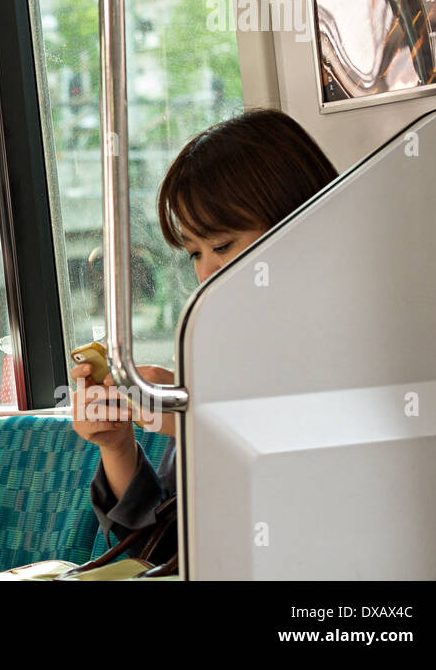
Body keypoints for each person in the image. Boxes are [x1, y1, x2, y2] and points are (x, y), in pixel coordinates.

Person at [70, 110, 337, 563]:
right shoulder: (220, 356)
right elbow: (171, 546)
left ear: (297, 223)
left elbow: (321, 508)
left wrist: (197, 422)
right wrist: (118, 446)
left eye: (223, 246)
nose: (206, 272)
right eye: (195, 253)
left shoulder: (350, 343)